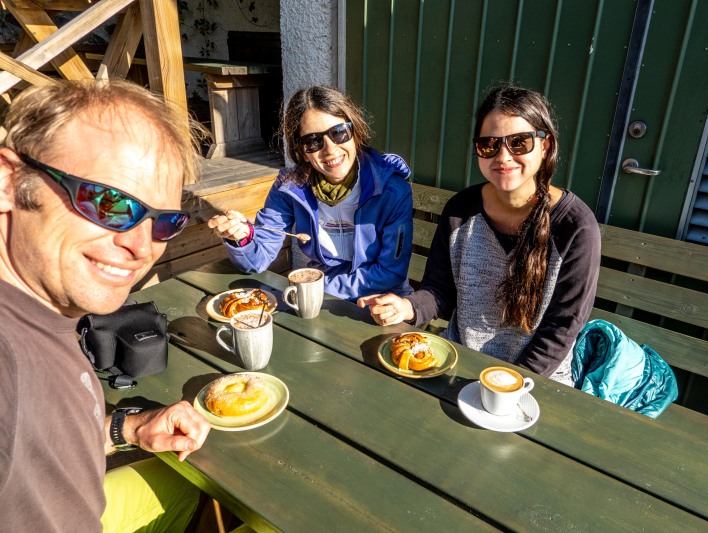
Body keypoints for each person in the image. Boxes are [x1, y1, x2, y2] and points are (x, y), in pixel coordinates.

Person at [0, 79, 211, 531]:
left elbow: (46, 439)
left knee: (197, 484)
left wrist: (127, 429)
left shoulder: (42, 310)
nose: (140, 245)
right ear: (9, 181)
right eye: (109, 201)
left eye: (164, 222)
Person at [359, 84, 601, 385]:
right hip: (458, 363)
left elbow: (561, 330)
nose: (503, 156)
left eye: (519, 142)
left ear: (546, 146)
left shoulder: (575, 227)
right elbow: (440, 290)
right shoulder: (461, 209)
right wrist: (407, 307)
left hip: (534, 380)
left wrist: (507, 383)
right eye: (489, 144)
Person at [208, 85, 413, 301]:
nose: (330, 149)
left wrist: (315, 288)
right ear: (302, 152)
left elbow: (390, 273)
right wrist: (241, 238)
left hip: (382, 300)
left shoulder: (391, 190)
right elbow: (256, 261)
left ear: (355, 134)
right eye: (313, 141)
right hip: (317, 295)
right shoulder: (290, 188)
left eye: (339, 133)